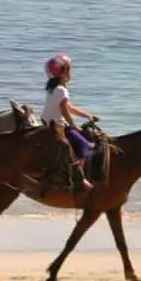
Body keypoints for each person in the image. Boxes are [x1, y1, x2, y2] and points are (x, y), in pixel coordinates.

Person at [42, 54, 96, 190]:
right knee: (84, 145)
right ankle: (79, 179)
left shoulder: (54, 88)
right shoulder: (61, 90)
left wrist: (87, 115)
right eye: (69, 69)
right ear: (63, 72)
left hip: (49, 124)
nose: (71, 73)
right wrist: (74, 126)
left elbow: (69, 107)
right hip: (59, 126)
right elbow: (64, 110)